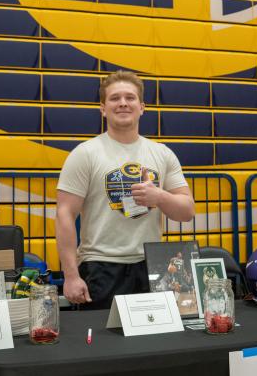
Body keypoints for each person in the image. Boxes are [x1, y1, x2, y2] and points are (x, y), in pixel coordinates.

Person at [55, 70, 195, 309]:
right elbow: (65, 214)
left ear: (142, 107)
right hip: (101, 266)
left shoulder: (162, 153)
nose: (122, 103)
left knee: (156, 343)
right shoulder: (85, 153)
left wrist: (159, 196)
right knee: (104, 345)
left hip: (154, 265)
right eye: (115, 98)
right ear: (103, 108)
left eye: (130, 98)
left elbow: (186, 212)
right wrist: (70, 276)